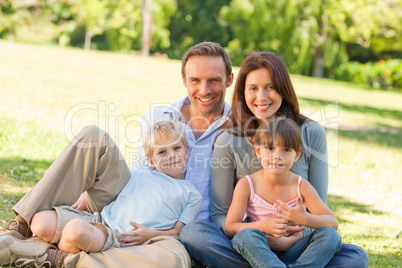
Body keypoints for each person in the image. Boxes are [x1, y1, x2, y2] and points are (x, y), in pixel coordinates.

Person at [0, 41, 234, 267]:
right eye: (196, 80)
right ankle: (21, 225)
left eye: (213, 80)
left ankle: (58, 258)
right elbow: (139, 173)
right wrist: (95, 195)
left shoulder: (239, 128)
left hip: (172, 230)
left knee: (175, 261)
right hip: (126, 205)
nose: (204, 90)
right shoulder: (158, 116)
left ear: (229, 79)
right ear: (184, 80)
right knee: (92, 136)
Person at [180, 51, 369, 267]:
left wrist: (291, 235)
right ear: (243, 92)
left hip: (299, 246)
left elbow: (319, 210)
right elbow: (220, 216)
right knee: (195, 234)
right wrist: (261, 229)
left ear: (283, 89)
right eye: (253, 88)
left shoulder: (311, 133)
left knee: (355, 257)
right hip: (250, 244)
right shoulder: (228, 140)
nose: (261, 97)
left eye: (270, 87)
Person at [0, 121, 202, 267]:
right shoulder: (141, 173)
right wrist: (87, 197)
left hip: (114, 236)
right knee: (40, 222)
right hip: (99, 219)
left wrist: (151, 234)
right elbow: (115, 187)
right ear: (150, 160)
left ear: (187, 151)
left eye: (176, 148)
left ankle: (44, 254)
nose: (171, 156)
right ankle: (26, 238)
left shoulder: (191, 194)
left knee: (75, 231)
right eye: (162, 152)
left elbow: (179, 231)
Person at [225, 117, 342, 267]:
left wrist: (305, 219)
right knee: (245, 237)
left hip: (296, 249)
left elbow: (332, 223)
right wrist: (263, 226)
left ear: (297, 155)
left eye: (286, 150)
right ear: (258, 151)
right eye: (270, 148)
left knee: (332, 237)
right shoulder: (247, 184)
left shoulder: (301, 186)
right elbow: (230, 228)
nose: (277, 156)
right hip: (259, 248)